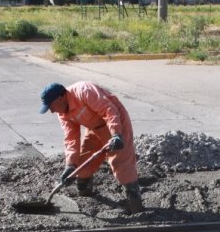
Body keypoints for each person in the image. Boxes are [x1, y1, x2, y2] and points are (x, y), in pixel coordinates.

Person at [39, 81, 144, 213]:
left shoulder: (84, 91)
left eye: (51, 106)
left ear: (60, 98)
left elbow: (109, 110)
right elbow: (71, 138)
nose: (52, 111)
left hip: (116, 122)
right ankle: (85, 192)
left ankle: (135, 203)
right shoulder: (63, 114)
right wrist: (70, 165)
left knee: (121, 162)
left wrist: (116, 134)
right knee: (83, 164)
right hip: (94, 128)